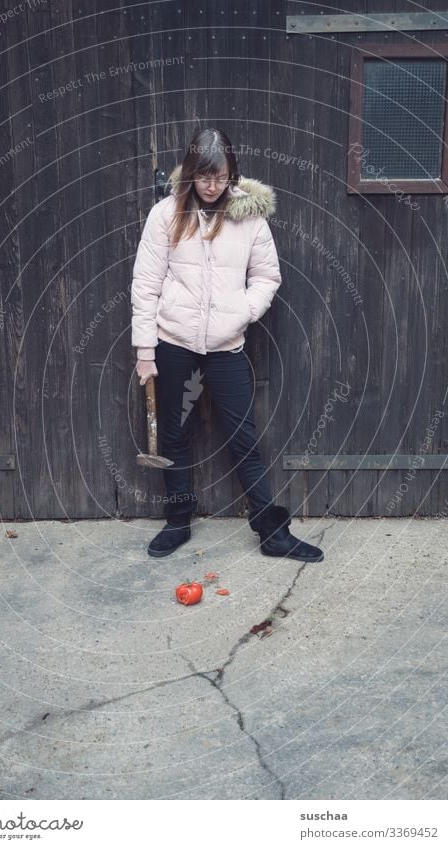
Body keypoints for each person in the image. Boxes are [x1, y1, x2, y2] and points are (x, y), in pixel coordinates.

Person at [131, 127, 324, 563]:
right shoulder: (165, 214)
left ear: (231, 172)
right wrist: (146, 351)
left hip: (226, 347)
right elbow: (145, 284)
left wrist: (241, 311)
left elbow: (267, 277)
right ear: (192, 173)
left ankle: (272, 533)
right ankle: (178, 521)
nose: (213, 185)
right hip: (174, 343)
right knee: (176, 436)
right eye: (204, 176)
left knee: (243, 438)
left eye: (220, 176)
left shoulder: (248, 218)